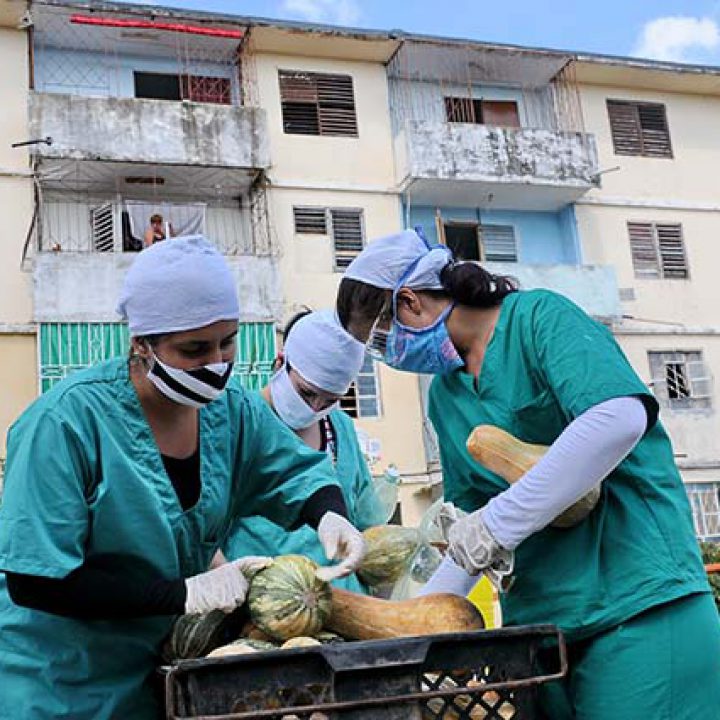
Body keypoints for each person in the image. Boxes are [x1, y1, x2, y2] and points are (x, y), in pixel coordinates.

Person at [334, 228, 720, 720]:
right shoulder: (447, 397)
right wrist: (412, 623)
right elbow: (467, 533)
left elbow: (618, 416)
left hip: (637, 608)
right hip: (540, 636)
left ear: (410, 302)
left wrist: (498, 524)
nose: (387, 356)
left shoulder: (539, 319)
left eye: (380, 340)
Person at [0, 236, 366, 719]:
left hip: (160, 676)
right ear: (142, 343)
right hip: (60, 684)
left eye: (227, 341)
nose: (215, 363)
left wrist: (330, 516)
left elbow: (294, 470)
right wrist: (185, 593)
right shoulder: (65, 424)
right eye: (194, 348)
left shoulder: (232, 414)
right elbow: (36, 579)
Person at [221, 310, 386, 592]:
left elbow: (367, 519)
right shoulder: (240, 420)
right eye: (306, 393)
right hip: (257, 605)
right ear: (280, 363)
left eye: (329, 400)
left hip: (346, 604)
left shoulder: (341, 429)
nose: (314, 408)